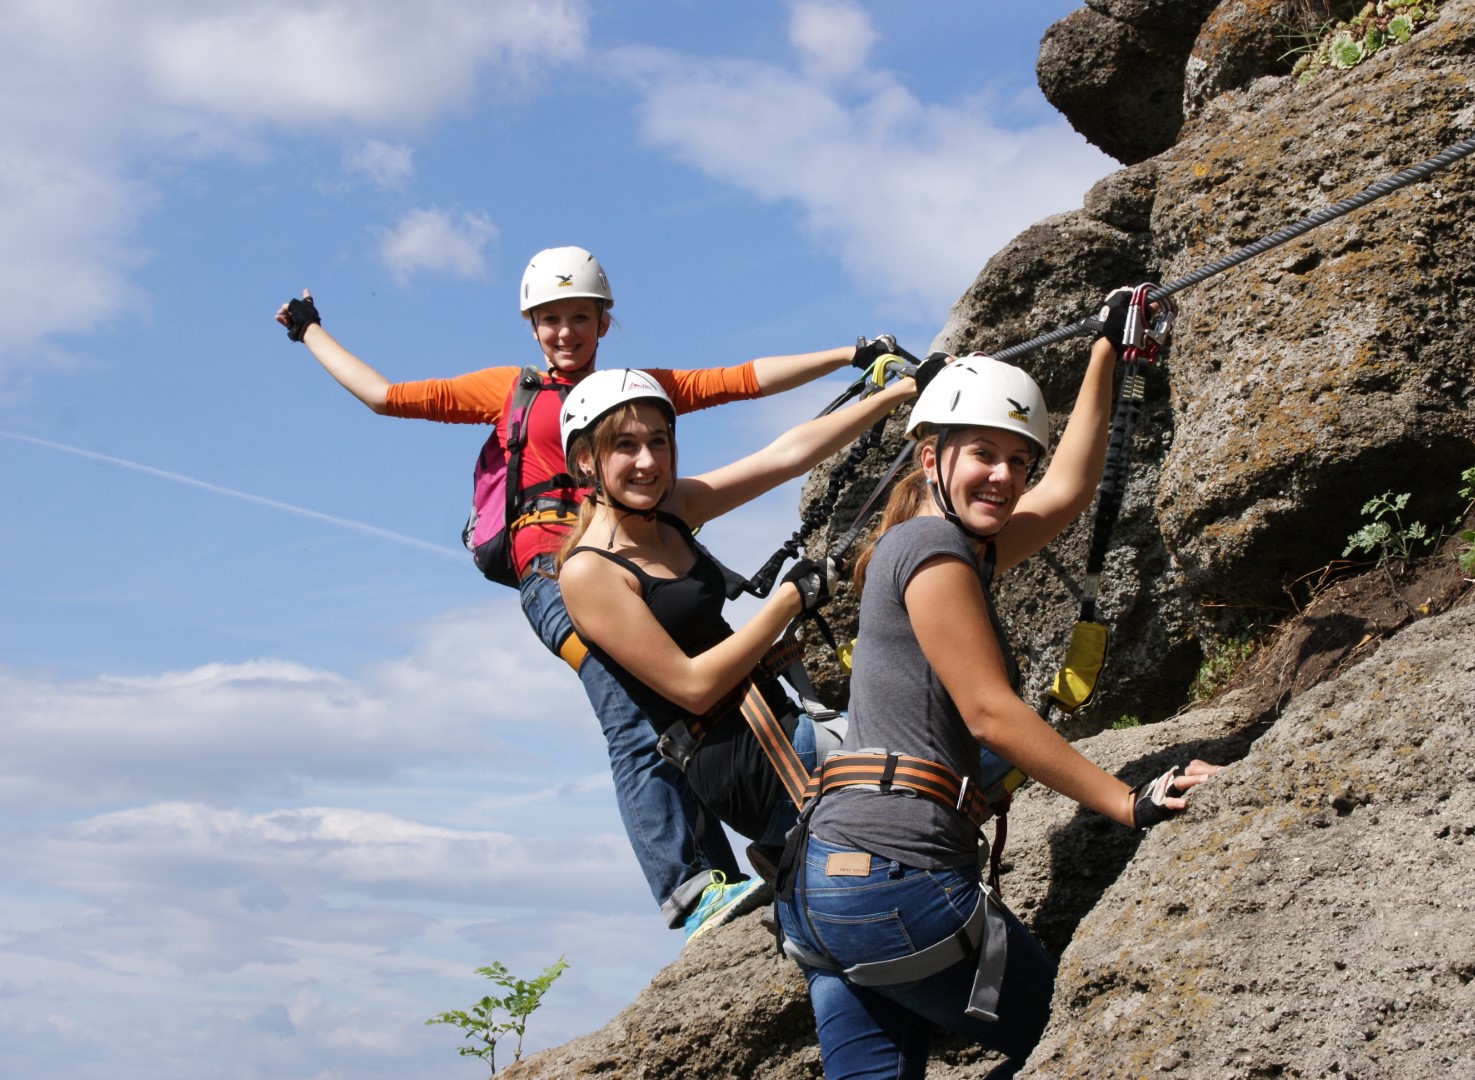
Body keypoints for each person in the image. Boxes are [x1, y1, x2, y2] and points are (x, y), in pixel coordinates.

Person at [274, 245, 898, 939]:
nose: (564, 332)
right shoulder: (509, 391)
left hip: (632, 551)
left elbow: (740, 382)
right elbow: (384, 396)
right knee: (632, 713)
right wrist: (310, 331)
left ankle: (752, 856)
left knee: (680, 706)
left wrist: (851, 355)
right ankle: (692, 888)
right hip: (554, 573)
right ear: (532, 326)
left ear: (604, 322)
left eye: (578, 317)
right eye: (549, 319)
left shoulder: (631, 400)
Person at [772, 319, 1222, 1078]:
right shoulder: (931, 549)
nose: (1005, 477)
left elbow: (1069, 493)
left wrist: (1104, 353)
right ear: (930, 457)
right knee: (1086, 1048)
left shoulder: (928, 548)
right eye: (982, 453)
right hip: (894, 877)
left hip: (823, 892)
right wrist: (1128, 802)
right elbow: (988, 712)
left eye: (1018, 460)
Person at [551, 366, 927, 924]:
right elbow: (693, 686)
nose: (648, 462)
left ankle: (799, 864)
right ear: (586, 459)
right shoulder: (589, 573)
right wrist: (784, 604)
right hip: (746, 762)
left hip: (781, 726)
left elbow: (785, 457)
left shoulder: (671, 511)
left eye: (659, 442)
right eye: (624, 446)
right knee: (945, 785)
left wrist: (901, 393)